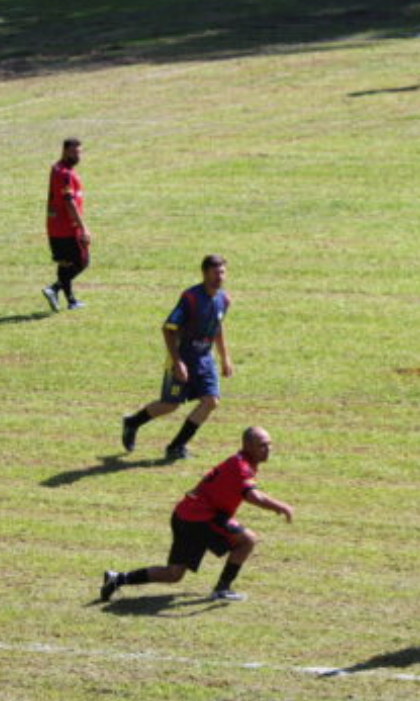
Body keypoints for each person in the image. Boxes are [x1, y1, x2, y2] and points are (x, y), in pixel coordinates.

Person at [100, 426, 294, 603]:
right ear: (248, 446)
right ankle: (222, 589)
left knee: (174, 574)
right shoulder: (241, 467)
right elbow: (254, 497)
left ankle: (118, 579)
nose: (268, 449)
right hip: (201, 518)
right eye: (263, 445)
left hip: (185, 514)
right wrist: (281, 506)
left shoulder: (238, 462)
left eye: (269, 445)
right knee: (248, 540)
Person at [121, 255, 233, 460]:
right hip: (183, 356)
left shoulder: (223, 300)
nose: (220, 277)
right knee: (170, 405)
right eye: (216, 273)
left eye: (223, 272)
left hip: (204, 358)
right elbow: (168, 328)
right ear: (205, 273)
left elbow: (218, 327)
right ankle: (133, 422)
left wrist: (225, 358)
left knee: (211, 401)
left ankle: (176, 446)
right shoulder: (190, 298)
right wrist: (177, 361)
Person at [43, 137, 91, 312]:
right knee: (83, 261)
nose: (77, 156)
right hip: (67, 228)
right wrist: (83, 227)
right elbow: (68, 203)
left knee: (65, 263)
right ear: (64, 151)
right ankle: (54, 288)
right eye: (74, 152)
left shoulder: (57, 169)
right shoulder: (64, 174)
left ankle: (70, 301)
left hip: (54, 226)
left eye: (79, 152)